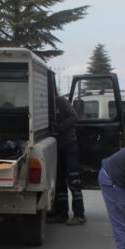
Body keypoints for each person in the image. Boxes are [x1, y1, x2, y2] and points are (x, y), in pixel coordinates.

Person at [48, 95, 86, 225]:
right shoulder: (44, 103)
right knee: (59, 181)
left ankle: (79, 215)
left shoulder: (60, 101)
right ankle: (62, 214)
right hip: (56, 146)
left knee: (73, 180)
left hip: (69, 145)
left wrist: (58, 127)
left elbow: (74, 117)